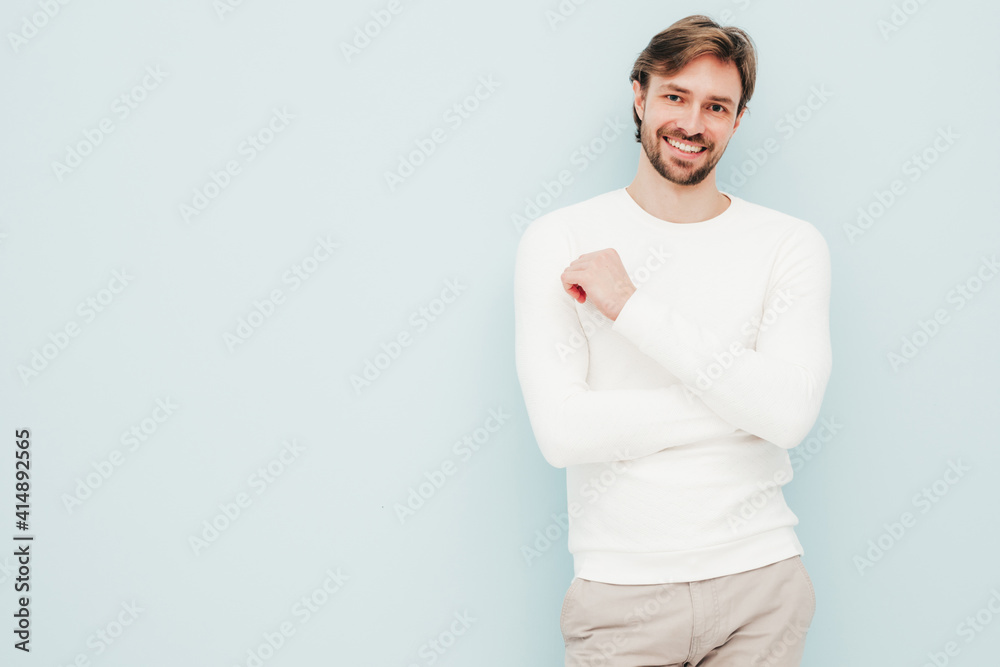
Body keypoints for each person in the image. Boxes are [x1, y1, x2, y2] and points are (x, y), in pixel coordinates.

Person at [513, 14, 831, 667]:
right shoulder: (563, 239)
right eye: (675, 97)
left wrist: (629, 306)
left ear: (738, 119)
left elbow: (790, 416)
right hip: (621, 594)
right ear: (640, 94)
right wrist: (742, 406)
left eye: (717, 106)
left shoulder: (789, 243)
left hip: (761, 585)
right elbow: (563, 432)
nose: (692, 124)